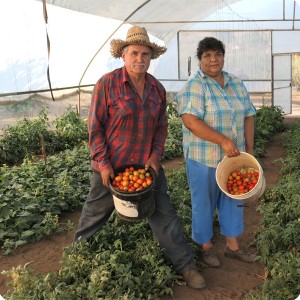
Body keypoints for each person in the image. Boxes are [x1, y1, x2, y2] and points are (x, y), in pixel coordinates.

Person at [73, 26, 206, 289]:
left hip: (146, 170)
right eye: (134, 53)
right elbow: (95, 127)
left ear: (151, 57)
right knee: (94, 214)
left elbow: (161, 127)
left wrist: (156, 157)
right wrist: (102, 164)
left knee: (164, 216)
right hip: (111, 168)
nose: (140, 59)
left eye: (145, 54)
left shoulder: (157, 89)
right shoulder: (107, 83)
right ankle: (75, 258)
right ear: (123, 55)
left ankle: (186, 266)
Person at [175, 37, 256, 268]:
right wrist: (222, 140)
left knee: (233, 199)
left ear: (223, 56)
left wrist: (249, 151)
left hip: (234, 158)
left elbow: (248, 114)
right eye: (207, 55)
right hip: (204, 159)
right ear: (200, 59)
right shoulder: (195, 85)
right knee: (204, 203)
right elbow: (190, 121)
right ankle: (206, 247)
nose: (213, 59)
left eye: (217, 54)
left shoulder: (234, 82)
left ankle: (232, 247)